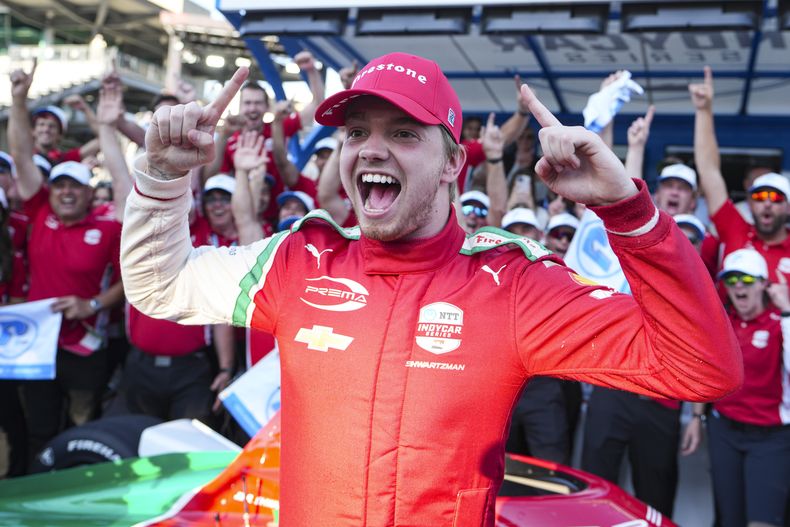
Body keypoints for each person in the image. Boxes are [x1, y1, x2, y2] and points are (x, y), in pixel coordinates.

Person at [121, 53, 742, 526]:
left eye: (403, 133)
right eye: (356, 133)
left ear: (452, 166)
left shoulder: (513, 285)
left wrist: (627, 213)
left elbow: (702, 369)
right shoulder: (298, 261)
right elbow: (159, 285)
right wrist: (162, 178)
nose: (370, 150)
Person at [692, 249, 789, 527]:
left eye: (746, 279)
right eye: (731, 280)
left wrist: (788, 312)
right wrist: (698, 418)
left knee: (762, 522)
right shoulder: (723, 323)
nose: (738, 286)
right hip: (725, 430)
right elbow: (704, 372)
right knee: (729, 520)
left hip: (771, 437)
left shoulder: (780, 322)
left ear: (763, 284)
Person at [692, 66, 790, 283]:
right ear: (749, 203)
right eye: (759, 197)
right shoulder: (735, 228)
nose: (766, 204)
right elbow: (708, 170)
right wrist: (704, 110)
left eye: (775, 198)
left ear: (788, 207)